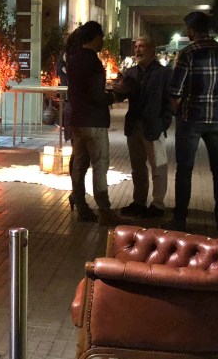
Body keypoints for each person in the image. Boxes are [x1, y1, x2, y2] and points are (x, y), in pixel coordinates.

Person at [167, 11, 218, 234]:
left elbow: (174, 90)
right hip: (217, 121)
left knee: (184, 169)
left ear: (191, 30)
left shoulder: (188, 53)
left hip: (190, 119)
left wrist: (177, 110)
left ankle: (180, 220)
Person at [66, 22, 122, 226]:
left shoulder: (73, 59)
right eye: (102, 37)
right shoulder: (93, 62)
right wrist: (115, 96)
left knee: (79, 165)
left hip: (77, 120)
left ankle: (81, 205)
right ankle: (104, 210)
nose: (103, 41)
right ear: (95, 37)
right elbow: (97, 95)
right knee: (100, 165)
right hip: (94, 121)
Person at [117, 36, 172, 219]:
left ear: (152, 50)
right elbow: (121, 95)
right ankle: (139, 202)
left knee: (158, 166)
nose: (138, 50)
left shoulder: (164, 73)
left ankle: (158, 204)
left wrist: (163, 123)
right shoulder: (130, 72)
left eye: (142, 46)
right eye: (136, 47)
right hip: (134, 126)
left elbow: (170, 101)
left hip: (154, 126)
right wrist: (117, 89)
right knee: (138, 167)